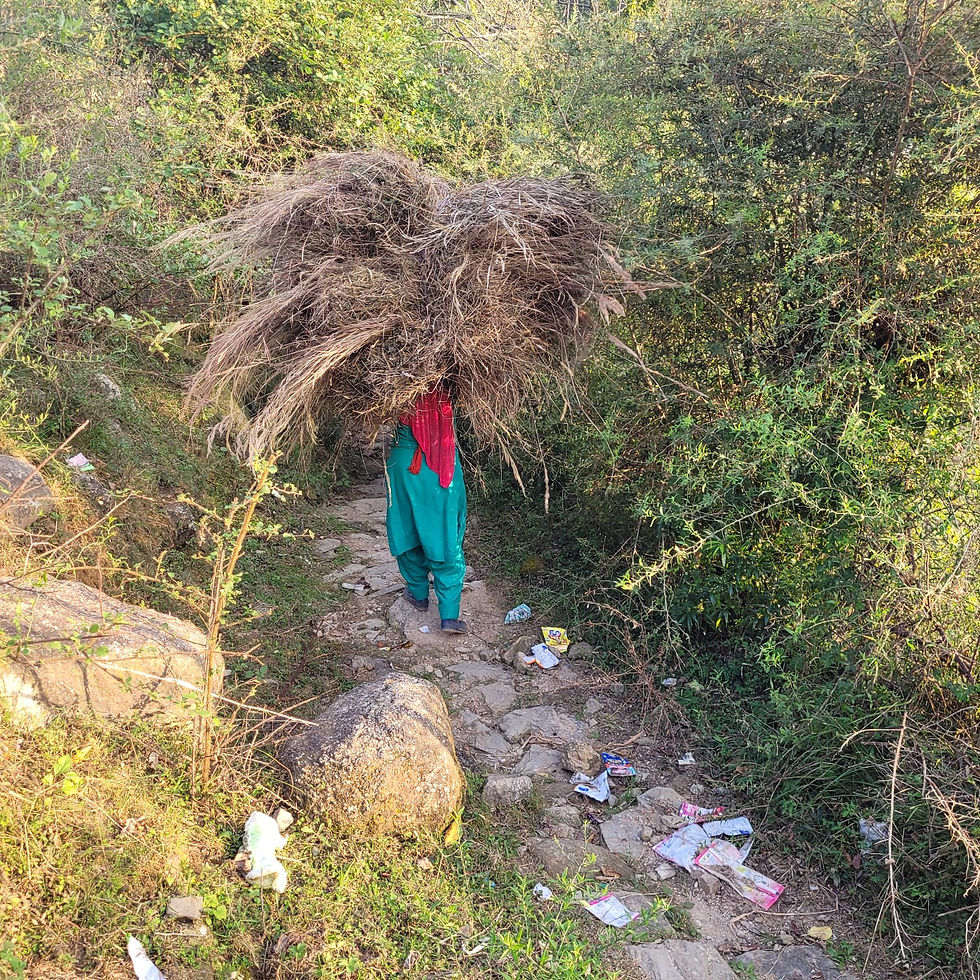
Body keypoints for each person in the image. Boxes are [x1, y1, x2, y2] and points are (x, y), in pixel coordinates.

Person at [385, 387, 467, 633]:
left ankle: (419, 594)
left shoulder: (397, 387)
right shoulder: (445, 391)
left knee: (405, 527)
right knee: (444, 534)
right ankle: (449, 615)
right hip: (442, 468)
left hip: (403, 465)